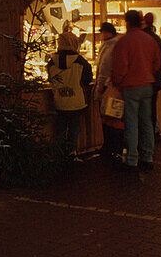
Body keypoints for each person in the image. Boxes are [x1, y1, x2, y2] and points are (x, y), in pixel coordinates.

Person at [112, 9, 161, 171]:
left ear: (127, 22)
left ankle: (132, 159)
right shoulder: (149, 40)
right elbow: (157, 62)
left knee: (132, 123)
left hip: (130, 87)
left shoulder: (124, 42)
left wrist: (117, 82)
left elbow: (120, 67)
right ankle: (148, 157)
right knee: (147, 122)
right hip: (147, 84)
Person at [47, 29, 93, 159]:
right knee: (74, 128)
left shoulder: (52, 61)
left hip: (59, 100)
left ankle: (59, 153)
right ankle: (72, 152)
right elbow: (87, 79)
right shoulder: (80, 61)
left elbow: (50, 79)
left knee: (60, 128)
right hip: (76, 102)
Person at [92, 22, 124, 163]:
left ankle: (113, 148)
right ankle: (109, 146)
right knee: (107, 119)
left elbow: (105, 68)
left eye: (103, 32)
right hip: (108, 88)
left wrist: (102, 85)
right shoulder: (109, 45)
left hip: (110, 89)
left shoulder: (112, 46)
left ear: (109, 33)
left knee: (112, 119)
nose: (101, 35)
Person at [142, 12, 161, 134]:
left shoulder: (144, 38)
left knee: (145, 111)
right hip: (155, 79)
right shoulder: (156, 38)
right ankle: (153, 134)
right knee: (151, 109)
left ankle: (148, 137)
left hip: (145, 81)